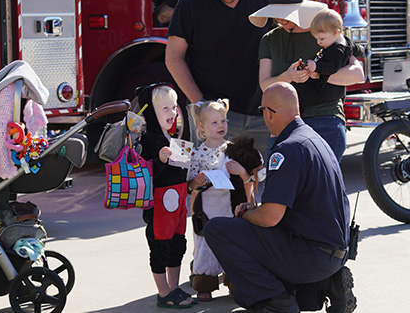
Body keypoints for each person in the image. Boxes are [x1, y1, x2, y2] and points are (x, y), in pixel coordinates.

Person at [204, 82, 356, 313]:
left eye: (262, 111)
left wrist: (246, 212)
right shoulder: (314, 139)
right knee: (260, 245)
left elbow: (270, 217)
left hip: (313, 256)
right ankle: (326, 284)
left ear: (269, 113)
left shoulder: (287, 149)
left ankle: (276, 302)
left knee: (218, 230)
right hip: (334, 253)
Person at [166, 0, 271, 153]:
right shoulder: (190, 3)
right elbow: (173, 57)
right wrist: (201, 105)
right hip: (213, 115)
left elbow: (282, 44)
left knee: (262, 179)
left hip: (262, 112)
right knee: (211, 182)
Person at [249, 0, 364, 161]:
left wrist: (317, 73)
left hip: (325, 117)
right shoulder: (269, 40)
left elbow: (357, 74)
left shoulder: (323, 31)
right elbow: (265, 86)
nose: (280, 19)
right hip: (284, 123)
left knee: (321, 187)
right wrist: (288, 76)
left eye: (285, 14)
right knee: (283, 184)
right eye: (276, 13)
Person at [187, 99, 257, 301]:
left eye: (224, 121)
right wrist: (196, 183)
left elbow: (250, 179)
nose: (221, 126)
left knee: (234, 244)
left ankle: (234, 282)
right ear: (201, 126)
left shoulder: (235, 150)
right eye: (215, 123)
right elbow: (190, 185)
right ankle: (204, 283)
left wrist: (242, 171)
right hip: (207, 208)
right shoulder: (198, 154)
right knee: (205, 245)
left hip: (231, 206)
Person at [136, 83, 196, 309]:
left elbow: (182, 169)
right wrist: (158, 161)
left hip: (179, 200)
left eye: (174, 107)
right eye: (165, 109)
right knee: (160, 245)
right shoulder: (149, 139)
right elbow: (146, 176)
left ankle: (174, 286)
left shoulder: (171, 137)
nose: (172, 113)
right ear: (151, 112)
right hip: (160, 203)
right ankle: (163, 292)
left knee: (178, 243)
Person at [305, 8, 366, 110]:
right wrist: (362, 51)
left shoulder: (337, 50)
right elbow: (356, 49)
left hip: (328, 92)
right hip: (337, 91)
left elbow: (333, 68)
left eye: (321, 39)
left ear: (335, 33)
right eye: (316, 39)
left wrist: (317, 67)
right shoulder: (346, 42)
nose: (318, 43)